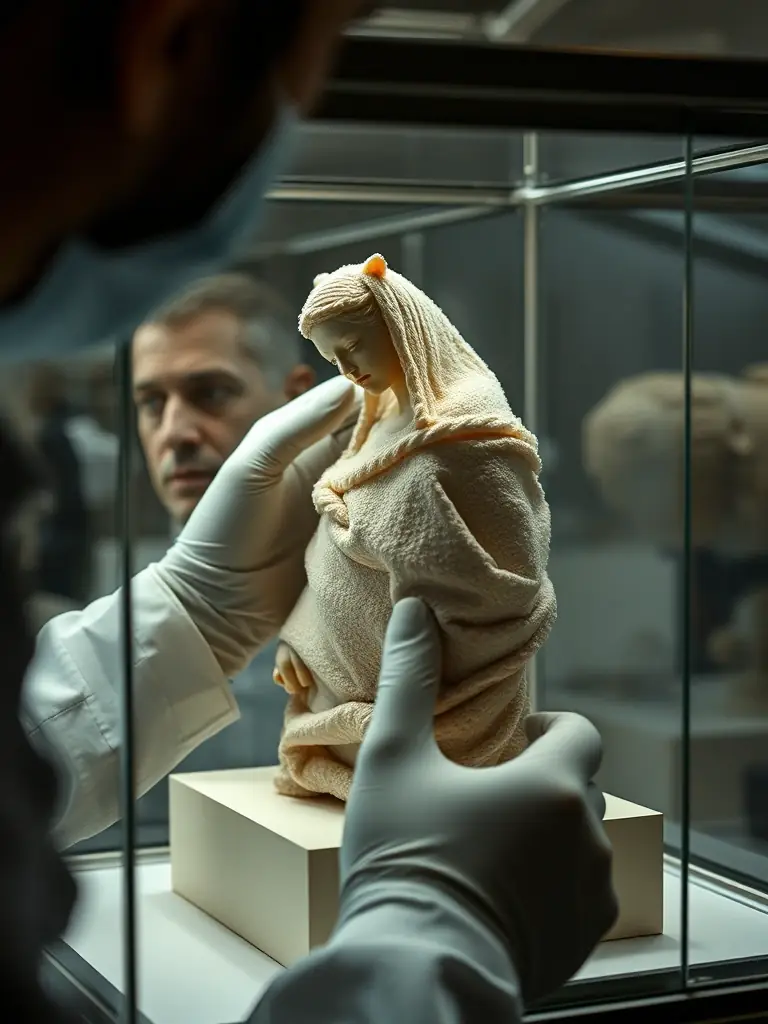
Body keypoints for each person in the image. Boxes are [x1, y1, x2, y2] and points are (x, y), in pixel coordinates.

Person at [0, 2, 616, 1022]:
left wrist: (193, 614)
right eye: (310, 77)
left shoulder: (446, 435)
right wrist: (428, 932)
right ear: (167, 41)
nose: (174, 432)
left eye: (208, 392)